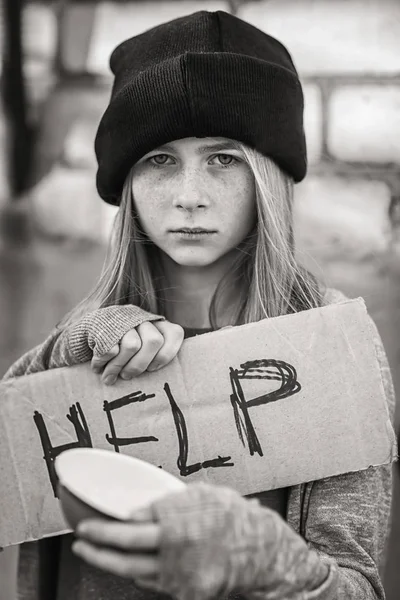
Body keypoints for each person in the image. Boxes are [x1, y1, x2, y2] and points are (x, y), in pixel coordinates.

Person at [3, 10, 395, 600]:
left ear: (269, 177)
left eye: (224, 158)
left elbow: (357, 586)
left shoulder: (327, 348)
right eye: (160, 160)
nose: (190, 197)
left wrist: (265, 562)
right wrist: (74, 344)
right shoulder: (86, 336)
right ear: (127, 180)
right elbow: (14, 464)